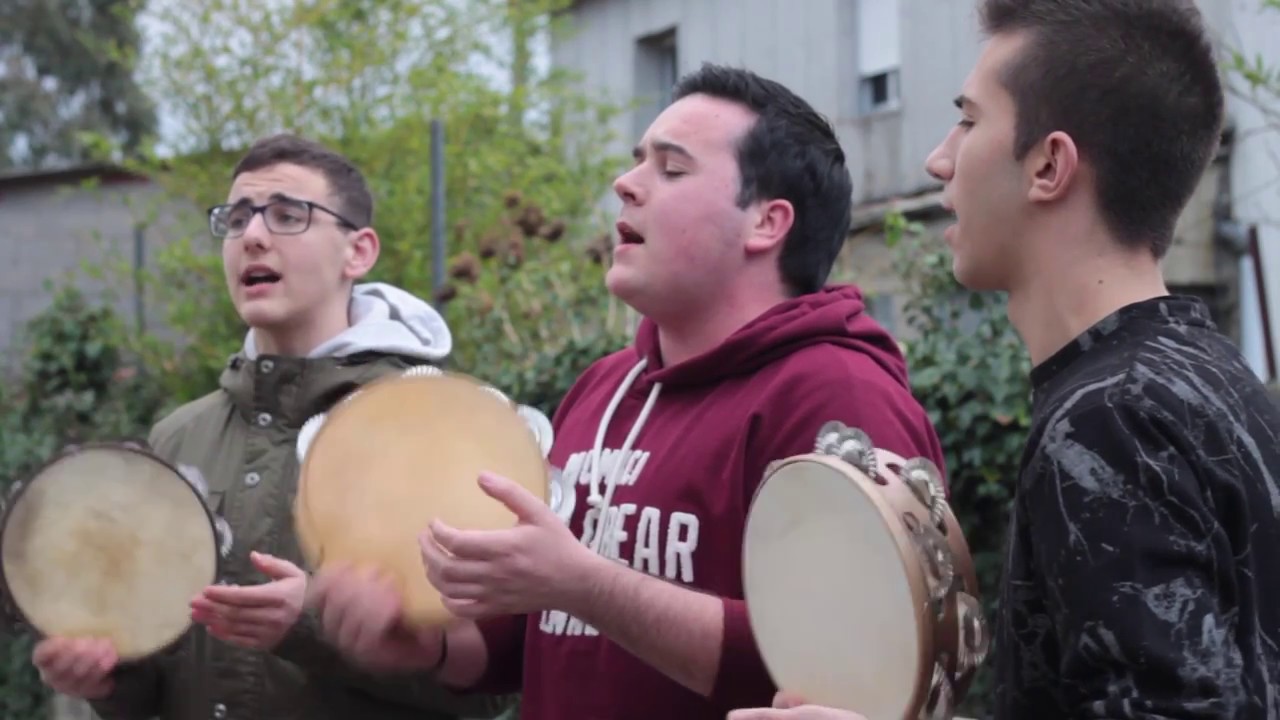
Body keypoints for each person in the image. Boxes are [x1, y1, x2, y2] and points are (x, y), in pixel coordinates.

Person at [304, 63, 946, 719]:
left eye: (671, 169)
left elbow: (858, 667)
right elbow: (528, 638)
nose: (626, 184)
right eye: (638, 161)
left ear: (766, 222)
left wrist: (584, 583)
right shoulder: (604, 386)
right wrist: (427, 641)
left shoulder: (839, 395)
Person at [731, 0, 1280, 718]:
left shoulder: (1110, 422)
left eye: (968, 121)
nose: (939, 159)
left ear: (1049, 165)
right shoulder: (1222, 379)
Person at [29, 133, 516, 720]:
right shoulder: (177, 438)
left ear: (358, 252)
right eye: (236, 219)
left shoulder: (435, 426)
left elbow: (488, 685)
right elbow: (157, 677)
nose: (252, 236)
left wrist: (310, 628)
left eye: (288, 215)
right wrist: (108, 678)